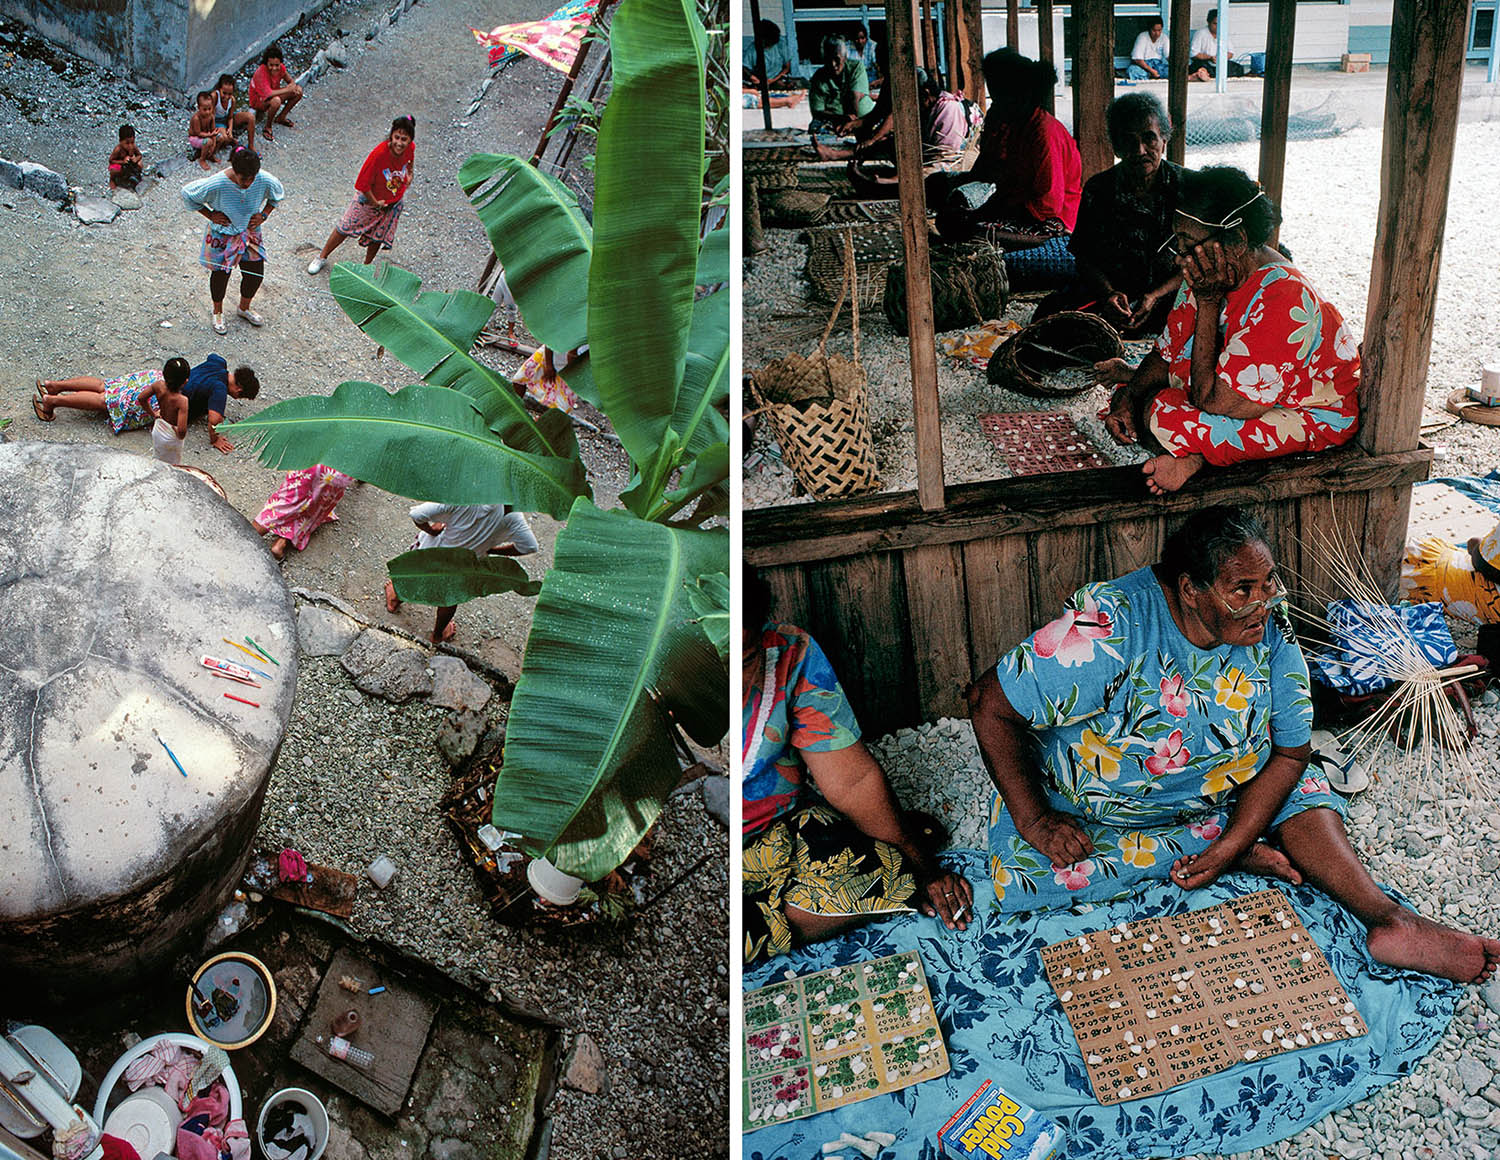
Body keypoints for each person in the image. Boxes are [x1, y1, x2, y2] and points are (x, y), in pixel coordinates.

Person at [968, 507, 1500, 985]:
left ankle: (1390, 919)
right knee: (1033, 871)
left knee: (1303, 781)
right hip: (1115, 807)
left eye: (1268, 583)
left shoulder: (1268, 613)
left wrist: (1228, 842)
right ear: (1189, 590)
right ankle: (1227, 846)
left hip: (1234, 782)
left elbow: (1290, 751)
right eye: (1241, 590)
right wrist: (1036, 821)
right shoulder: (1110, 627)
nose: (1261, 603)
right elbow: (988, 703)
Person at [743, 568, 972, 964]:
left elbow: (852, 781)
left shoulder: (788, 653)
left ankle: (758, 930)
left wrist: (918, 862)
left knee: (884, 871)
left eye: (744, 658)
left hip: (780, 831)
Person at [1102, 166, 1360, 494]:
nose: (1181, 259)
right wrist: (1127, 398)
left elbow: (1214, 403)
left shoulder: (1284, 295)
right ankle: (1197, 453)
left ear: (1237, 240)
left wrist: (1208, 302)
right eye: (1177, 242)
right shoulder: (1205, 270)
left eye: (1190, 244)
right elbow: (1165, 353)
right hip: (1239, 397)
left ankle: (1198, 460)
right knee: (1145, 402)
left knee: (1163, 417)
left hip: (1307, 413)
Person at [1033, 92, 1182, 336]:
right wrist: (1108, 294)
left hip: (1166, 294)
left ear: (1164, 140)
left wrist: (1155, 295)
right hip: (1113, 293)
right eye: (1129, 141)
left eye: (1149, 139)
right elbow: (1084, 256)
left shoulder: (1187, 188)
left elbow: (1197, 261)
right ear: (1117, 146)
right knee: (1050, 313)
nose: (1140, 150)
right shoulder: (1099, 188)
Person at [929, 49, 1080, 252]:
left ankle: (1045, 245)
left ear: (1020, 95)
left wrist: (982, 214)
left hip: (1051, 219)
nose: (997, 103)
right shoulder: (1004, 117)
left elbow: (1047, 206)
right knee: (942, 199)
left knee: (971, 232)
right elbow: (987, 169)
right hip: (1012, 202)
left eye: (1002, 97)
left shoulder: (1044, 133)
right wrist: (968, 200)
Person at [384, 502, 539, 643]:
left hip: (434, 552)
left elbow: (417, 515)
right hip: (465, 567)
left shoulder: (465, 497)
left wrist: (432, 530)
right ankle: (437, 635)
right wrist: (492, 549)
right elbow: (530, 546)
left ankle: (396, 598)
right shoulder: (514, 516)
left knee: (415, 575)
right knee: (450, 599)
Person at [181, 146, 284, 335]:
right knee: (221, 275)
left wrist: (264, 215)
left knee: (255, 274)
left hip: (249, 234)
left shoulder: (263, 179)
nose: (248, 183)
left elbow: (276, 195)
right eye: (244, 179)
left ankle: (244, 308)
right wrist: (210, 215)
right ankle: (217, 312)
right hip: (223, 235)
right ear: (234, 171)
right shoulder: (217, 183)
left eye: (252, 178)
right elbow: (188, 194)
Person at [307, 116, 415, 274]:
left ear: (410, 140)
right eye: (397, 137)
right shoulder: (378, 154)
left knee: (378, 235)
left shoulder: (411, 148)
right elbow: (362, 185)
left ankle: (366, 266)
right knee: (344, 227)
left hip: (393, 202)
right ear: (391, 136)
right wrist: (375, 202)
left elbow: (410, 162)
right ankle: (322, 257)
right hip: (370, 200)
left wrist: (410, 175)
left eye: (404, 139)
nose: (399, 143)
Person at [33, 357, 189, 436]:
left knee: (105, 386)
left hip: (148, 379)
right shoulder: (181, 400)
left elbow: (142, 397)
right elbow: (180, 429)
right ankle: (52, 401)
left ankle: (55, 385)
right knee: (105, 400)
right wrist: (154, 415)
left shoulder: (159, 380)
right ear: (185, 381)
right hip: (150, 400)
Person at [253, 465, 357, 560]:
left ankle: (251, 533)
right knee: (314, 507)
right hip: (340, 476)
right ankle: (280, 544)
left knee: (289, 501)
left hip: (317, 462)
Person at [177, 353, 260, 454]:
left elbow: (212, 356)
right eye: (240, 396)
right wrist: (215, 439)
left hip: (176, 384)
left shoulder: (219, 363)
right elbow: (214, 420)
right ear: (239, 389)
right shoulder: (219, 389)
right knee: (217, 413)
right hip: (176, 407)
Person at [807, 36, 874, 137]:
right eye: (828, 59)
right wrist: (840, 118)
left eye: (837, 59)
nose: (833, 64)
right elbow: (817, 111)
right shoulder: (818, 78)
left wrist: (851, 122)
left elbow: (854, 97)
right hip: (834, 120)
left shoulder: (856, 67)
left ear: (845, 57)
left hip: (861, 118)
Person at [247, 43, 302, 141]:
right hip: (259, 101)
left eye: (277, 65)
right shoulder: (261, 72)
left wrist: (293, 87)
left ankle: (281, 117)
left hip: (273, 94)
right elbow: (267, 94)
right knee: (276, 101)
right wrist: (288, 89)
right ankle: (268, 126)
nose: (274, 68)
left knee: (298, 91)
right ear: (266, 63)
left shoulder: (281, 68)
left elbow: (291, 81)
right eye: (271, 65)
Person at [1190, 9, 1242, 81]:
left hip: (1220, 62)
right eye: (1215, 24)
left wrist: (1221, 58)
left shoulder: (1223, 33)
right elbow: (1193, 54)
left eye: (1219, 24)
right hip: (1205, 62)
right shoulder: (1200, 33)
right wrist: (1210, 57)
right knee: (1199, 67)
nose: (1217, 26)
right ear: (1208, 22)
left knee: (1238, 68)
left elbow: (1231, 53)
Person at [743, 20, 792, 89]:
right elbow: (745, 68)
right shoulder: (752, 49)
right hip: (759, 81)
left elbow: (787, 67)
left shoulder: (781, 45)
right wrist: (753, 78)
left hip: (777, 78)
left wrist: (772, 80)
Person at [188, 90, 230, 170]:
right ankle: (202, 159)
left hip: (207, 134)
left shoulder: (211, 116)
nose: (207, 112)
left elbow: (213, 129)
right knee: (208, 141)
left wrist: (214, 142)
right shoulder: (196, 118)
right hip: (195, 138)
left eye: (209, 109)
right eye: (204, 109)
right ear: (199, 108)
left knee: (221, 138)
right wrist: (210, 136)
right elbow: (198, 133)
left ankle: (210, 154)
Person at [214, 74, 257, 151]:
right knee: (225, 138)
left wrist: (230, 129)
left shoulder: (232, 100)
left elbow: (230, 117)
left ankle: (251, 145)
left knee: (251, 117)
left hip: (226, 118)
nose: (227, 97)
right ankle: (231, 140)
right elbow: (210, 118)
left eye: (230, 94)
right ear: (219, 89)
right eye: (224, 93)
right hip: (217, 121)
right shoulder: (215, 97)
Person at [108, 124, 143, 190]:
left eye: (132, 142)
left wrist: (135, 159)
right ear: (120, 141)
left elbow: (139, 155)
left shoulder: (133, 147)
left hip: (130, 165)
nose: (130, 146)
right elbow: (111, 160)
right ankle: (113, 183)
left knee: (140, 164)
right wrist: (122, 161)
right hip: (121, 166)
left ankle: (136, 178)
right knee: (113, 170)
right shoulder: (118, 149)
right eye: (127, 143)